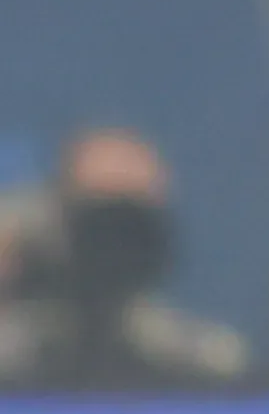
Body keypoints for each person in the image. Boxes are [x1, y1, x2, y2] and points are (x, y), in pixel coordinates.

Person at [0, 128, 247, 388]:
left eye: (130, 223)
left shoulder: (201, 361)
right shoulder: (18, 354)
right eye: (99, 224)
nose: (114, 248)